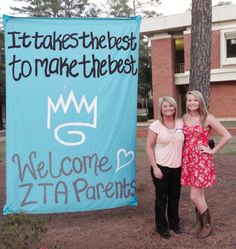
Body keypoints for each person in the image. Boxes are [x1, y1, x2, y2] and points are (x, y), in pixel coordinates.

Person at [181, 90, 232, 239]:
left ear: (200, 102)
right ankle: (200, 223)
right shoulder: (185, 117)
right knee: (200, 194)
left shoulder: (207, 118)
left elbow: (227, 135)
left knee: (194, 196)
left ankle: (208, 224)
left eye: (195, 100)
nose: (191, 103)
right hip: (188, 159)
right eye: (189, 100)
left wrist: (212, 150)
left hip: (201, 160)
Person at [146, 96, 185, 239]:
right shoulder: (156, 125)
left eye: (171, 106)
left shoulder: (181, 123)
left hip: (177, 167)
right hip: (161, 166)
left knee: (175, 197)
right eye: (165, 106)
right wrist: (155, 167)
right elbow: (149, 147)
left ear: (175, 108)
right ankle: (162, 227)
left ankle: (174, 224)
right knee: (161, 198)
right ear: (161, 109)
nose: (168, 108)